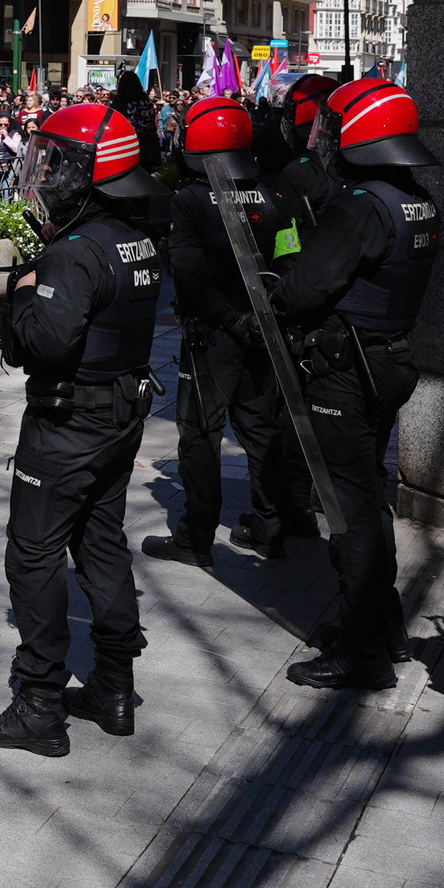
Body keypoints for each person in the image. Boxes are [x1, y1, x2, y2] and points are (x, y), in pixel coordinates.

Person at [0, 103, 164, 757]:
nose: (45, 171)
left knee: (33, 554)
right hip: (120, 412)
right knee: (101, 541)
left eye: (58, 161)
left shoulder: (77, 253)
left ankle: (39, 704)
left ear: (92, 173)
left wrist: (20, 293)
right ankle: (114, 687)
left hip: (68, 419)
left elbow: (43, 345)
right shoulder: (132, 239)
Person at [271, 78, 440, 692]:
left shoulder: (360, 205)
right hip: (387, 363)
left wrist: (284, 270)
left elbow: (303, 289)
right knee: (367, 498)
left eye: (333, 129)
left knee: (351, 513)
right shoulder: (414, 199)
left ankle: (363, 648)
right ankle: (384, 627)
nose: (325, 140)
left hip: (345, 371)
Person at [147, 98, 316, 568]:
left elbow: (188, 271)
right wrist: (266, 316)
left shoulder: (191, 199)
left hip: (212, 336)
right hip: (262, 333)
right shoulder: (272, 195)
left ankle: (196, 537)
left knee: (200, 433)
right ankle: (270, 525)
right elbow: (290, 257)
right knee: (260, 429)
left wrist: (229, 319)